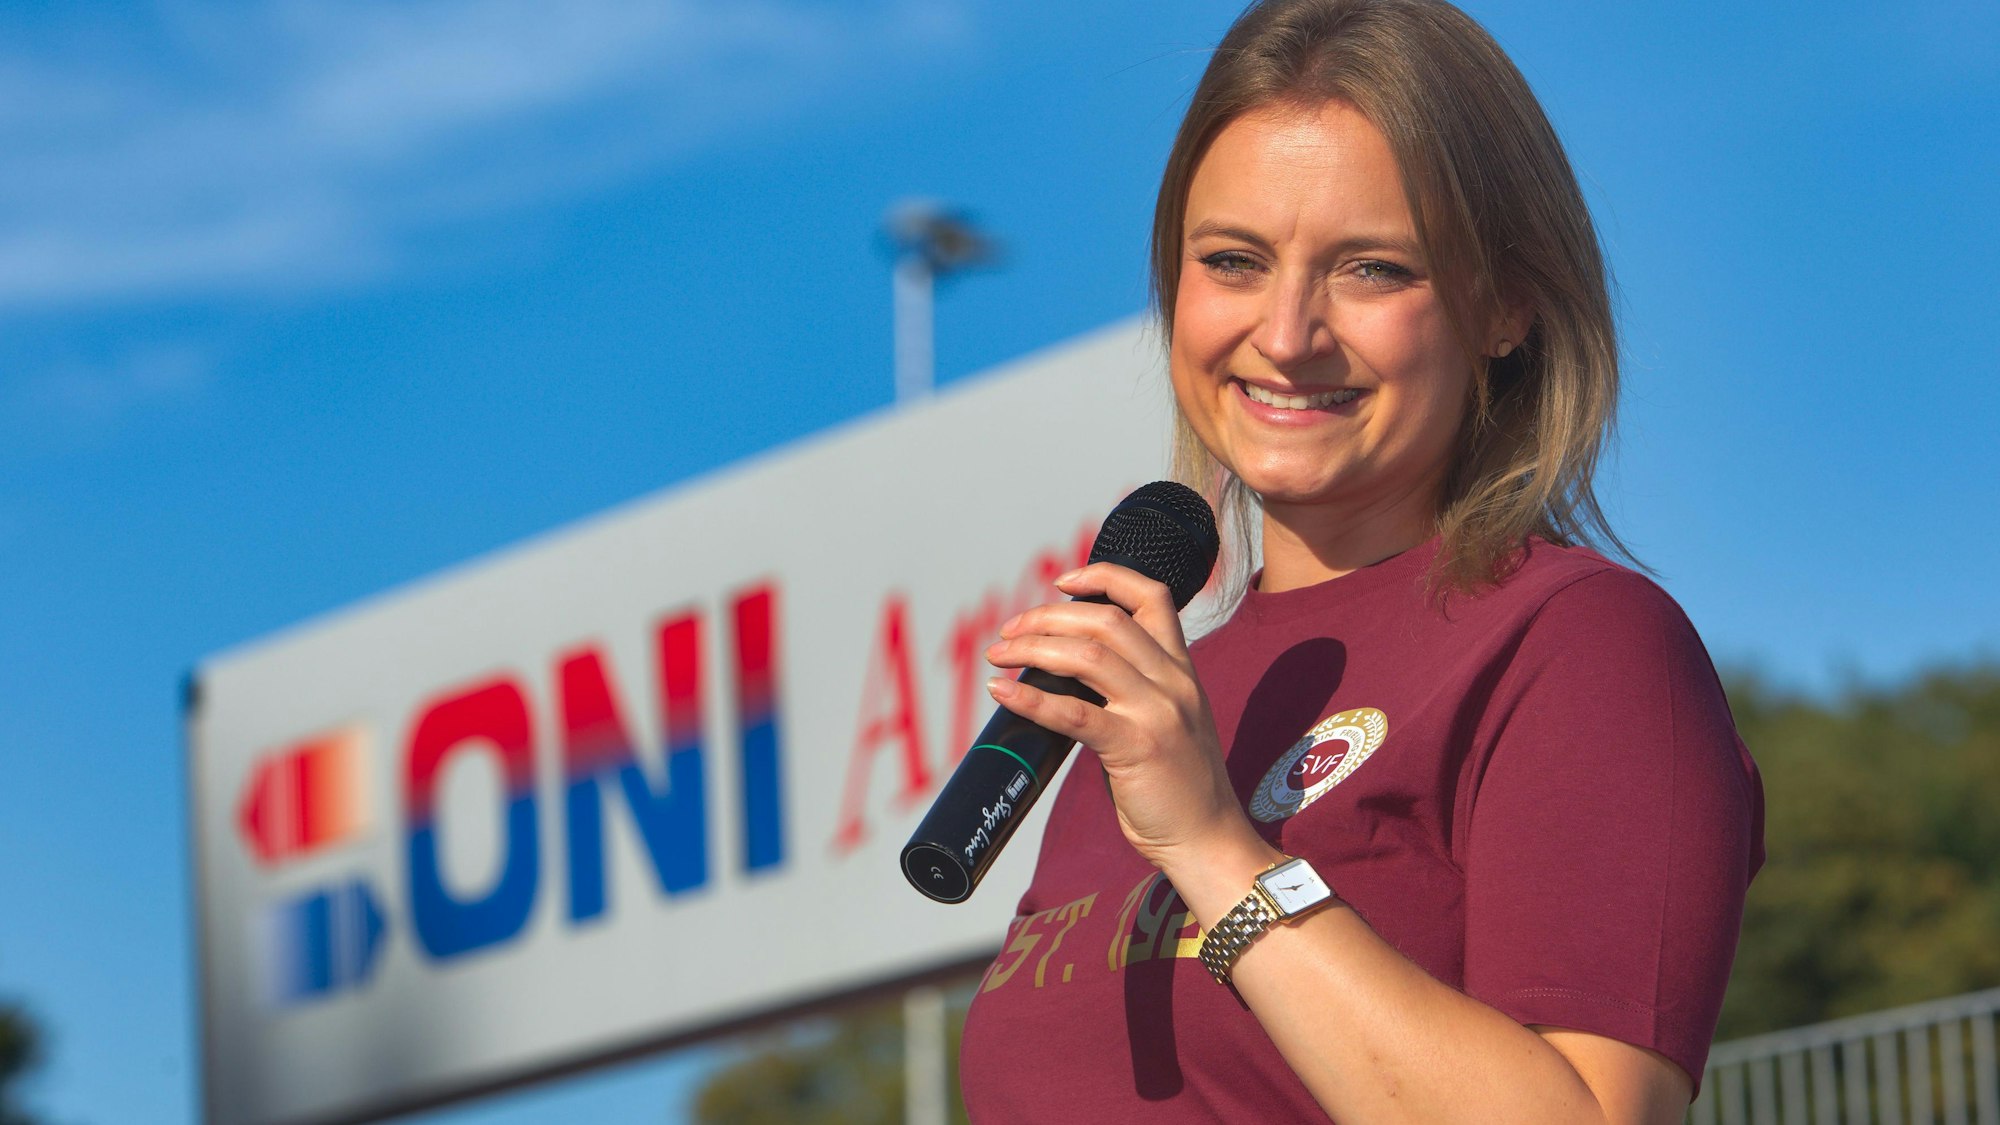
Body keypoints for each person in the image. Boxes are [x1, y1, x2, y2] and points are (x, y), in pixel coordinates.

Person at [955, 0, 1765, 1121]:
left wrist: (1212, 849)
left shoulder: (1574, 641)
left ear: (1504, 305)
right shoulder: (1145, 708)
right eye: (1232, 261)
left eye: (1371, 270)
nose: (1286, 334)